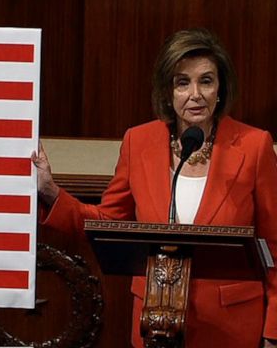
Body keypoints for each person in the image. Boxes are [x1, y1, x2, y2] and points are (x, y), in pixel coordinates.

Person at [32, 28, 277, 348]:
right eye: (182, 82)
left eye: (206, 81)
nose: (196, 94)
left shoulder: (254, 146)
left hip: (230, 327)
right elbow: (108, 223)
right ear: (167, 91)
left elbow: (274, 246)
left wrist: (273, 331)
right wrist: (51, 192)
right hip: (155, 323)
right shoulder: (139, 142)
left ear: (221, 88)